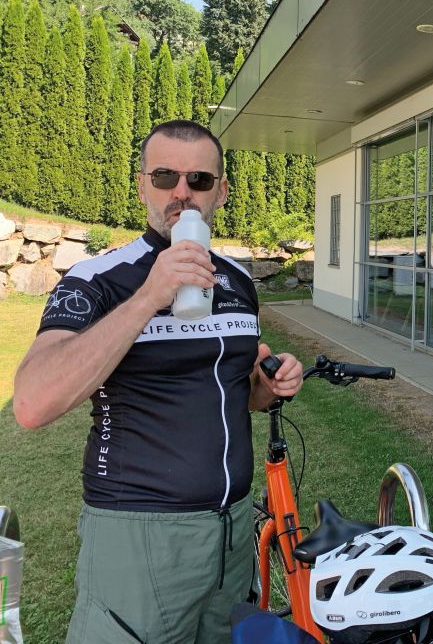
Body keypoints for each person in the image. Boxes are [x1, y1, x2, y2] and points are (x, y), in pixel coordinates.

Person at [12, 120, 303, 643]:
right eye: (166, 176)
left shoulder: (237, 280)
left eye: (199, 180)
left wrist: (268, 384)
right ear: (143, 185)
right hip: (138, 532)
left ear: (221, 192)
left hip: (233, 531)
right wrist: (149, 295)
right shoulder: (98, 278)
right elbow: (33, 403)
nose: (182, 193)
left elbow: (237, 392)